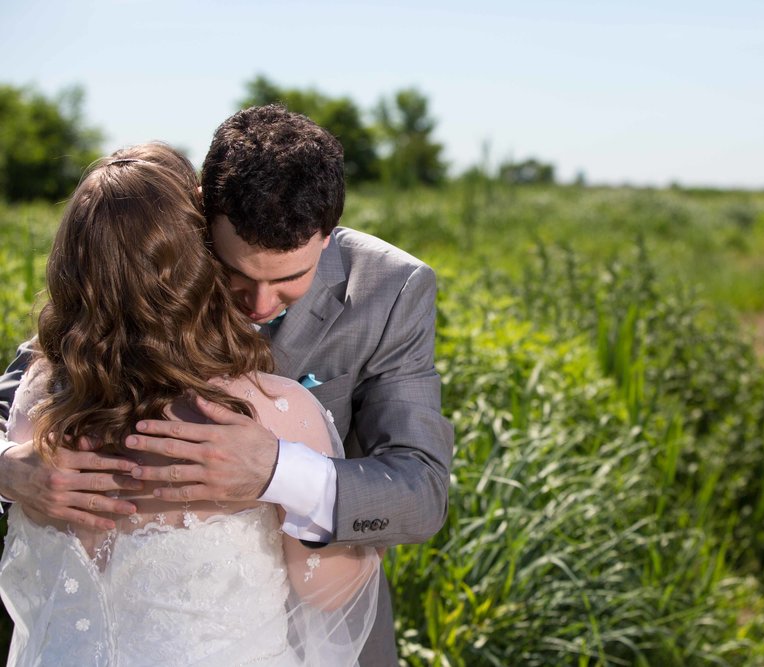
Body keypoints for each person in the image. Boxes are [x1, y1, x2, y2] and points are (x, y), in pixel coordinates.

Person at [0, 105, 455, 665]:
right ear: (197, 215)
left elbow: (421, 487)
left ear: (328, 233)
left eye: (290, 279)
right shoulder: (150, 264)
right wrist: (9, 470)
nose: (260, 306)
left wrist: (278, 473)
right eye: (235, 273)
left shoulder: (390, 287)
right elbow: (31, 382)